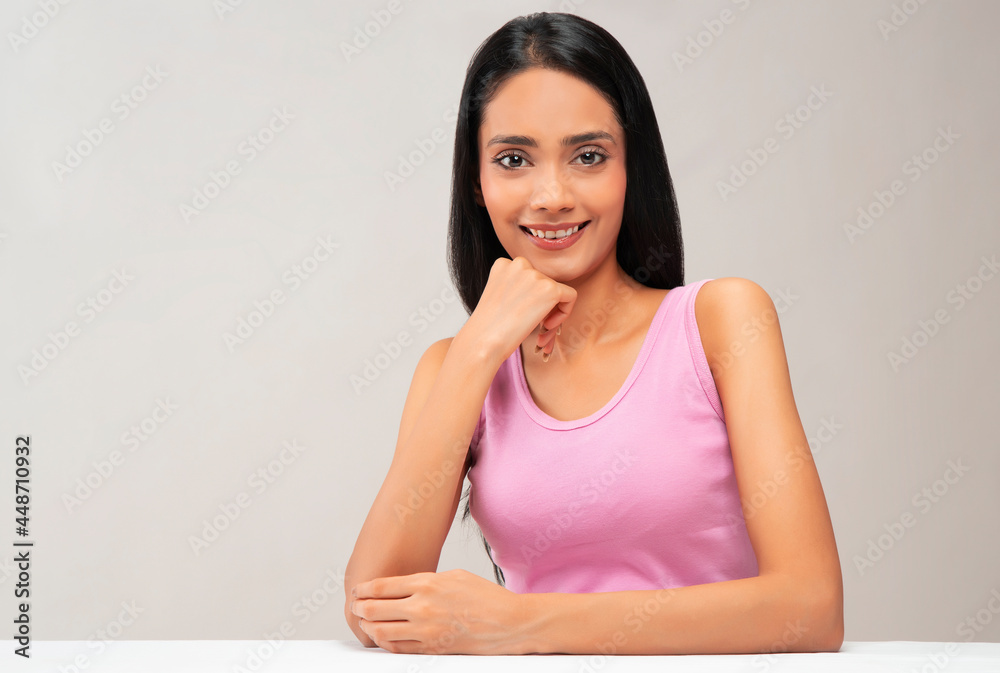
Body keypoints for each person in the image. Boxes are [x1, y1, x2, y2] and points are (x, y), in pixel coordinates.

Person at [345, 11, 843, 655]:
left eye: (587, 155)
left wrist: (522, 624)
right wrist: (478, 349)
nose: (551, 195)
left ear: (631, 167)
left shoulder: (721, 322)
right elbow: (374, 607)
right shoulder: (457, 367)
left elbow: (811, 607)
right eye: (514, 158)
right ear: (476, 180)